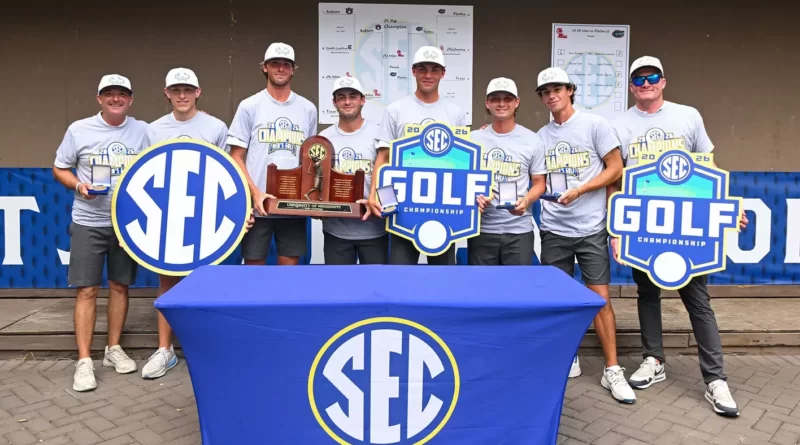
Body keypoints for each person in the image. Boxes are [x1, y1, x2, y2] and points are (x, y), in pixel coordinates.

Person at [609, 55, 748, 417]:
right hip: (644, 224)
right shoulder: (619, 124)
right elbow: (616, 181)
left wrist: (730, 207)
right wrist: (617, 229)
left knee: (697, 300)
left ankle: (715, 380)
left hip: (687, 223)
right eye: (638, 79)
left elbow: (710, 165)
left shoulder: (688, 115)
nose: (646, 83)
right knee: (648, 294)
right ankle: (653, 359)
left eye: (652, 77)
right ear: (631, 86)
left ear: (663, 81)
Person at [142, 67, 254, 379]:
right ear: (166, 93)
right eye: (176, 90)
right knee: (167, 283)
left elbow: (228, 176)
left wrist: (237, 214)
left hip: (207, 220)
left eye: (187, 90)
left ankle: (208, 349)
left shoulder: (216, 127)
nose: (182, 95)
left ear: (198, 92)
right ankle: (165, 350)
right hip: (168, 220)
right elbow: (145, 177)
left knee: (208, 282)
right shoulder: (153, 130)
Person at [535, 67, 636, 404]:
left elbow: (615, 168)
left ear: (570, 90)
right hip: (554, 228)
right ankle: (568, 356)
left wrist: (580, 190)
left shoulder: (596, 125)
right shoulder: (540, 136)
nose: (552, 95)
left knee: (600, 299)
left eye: (557, 89)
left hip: (591, 227)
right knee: (557, 300)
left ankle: (612, 369)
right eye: (546, 91)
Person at [53, 74, 149, 392]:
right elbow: (59, 167)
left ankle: (113, 349)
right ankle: (84, 361)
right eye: (109, 94)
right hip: (87, 222)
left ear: (130, 99)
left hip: (125, 224)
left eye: (122, 94)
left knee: (120, 287)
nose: (116, 99)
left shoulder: (143, 130)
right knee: (87, 291)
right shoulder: (79, 130)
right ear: (99, 99)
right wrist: (79, 185)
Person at [367, 45, 468, 265]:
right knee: (401, 277)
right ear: (413, 71)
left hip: (445, 210)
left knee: (443, 280)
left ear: (443, 73)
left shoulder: (456, 113)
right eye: (422, 69)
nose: (428, 75)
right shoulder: (395, 110)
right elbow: (383, 159)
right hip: (404, 209)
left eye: (434, 69)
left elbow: (463, 166)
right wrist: (375, 194)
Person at [227, 42, 318, 265]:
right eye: (275, 63)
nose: (280, 68)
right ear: (264, 67)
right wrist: (255, 193)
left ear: (293, 69)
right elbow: (236, 156)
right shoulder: (250, 106)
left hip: (293, 208)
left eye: (286, 64)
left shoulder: (308, 109)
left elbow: (311, 160)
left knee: (288, 277)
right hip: (259, 208)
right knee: (253, 273)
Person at [470, 77, 546, 265]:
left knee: (516, 291)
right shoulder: (473, 139)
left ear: (517, 102)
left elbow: (539, 183)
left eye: (508, 98)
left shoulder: (532, 140)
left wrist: (526, 200)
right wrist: (473, 197)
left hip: (518, 231)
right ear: (487, 103)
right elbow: (461, 181)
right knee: (481, 290)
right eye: (495, 98)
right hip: (482, 229)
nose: (502, 103)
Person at [318, 77, 387, 264]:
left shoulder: (380, 134)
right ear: (334, 102)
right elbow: (316, 181)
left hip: (375, 231)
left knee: (375, 291)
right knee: (338, 291)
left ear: (362, 100)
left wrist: (384, 206)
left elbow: (389, 178)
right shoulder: (323, 139)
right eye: (341, 97)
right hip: (336, 231)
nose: (347, 102)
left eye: (353, 96)